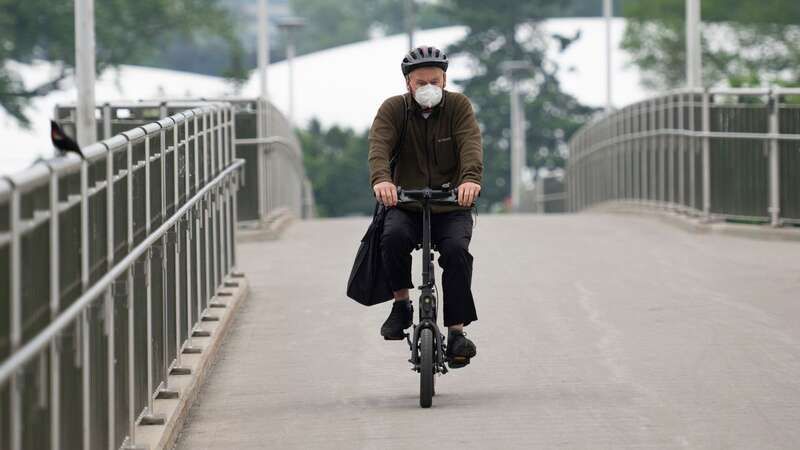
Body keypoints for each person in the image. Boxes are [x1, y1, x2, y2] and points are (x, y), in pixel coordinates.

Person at [367, 46, 483, 368]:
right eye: (421, 82)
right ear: (409, 84)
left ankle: (457, 331)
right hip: (406, 203)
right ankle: (401, 304)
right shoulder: (394, 110)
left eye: (435, 80)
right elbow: (379, 146)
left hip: (451, 204)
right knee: (391, 239)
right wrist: (382, 181)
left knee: (457, 253)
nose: (428, 87)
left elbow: (471, 144)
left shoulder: (458, 106)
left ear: (444, 79)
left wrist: (470, 181)